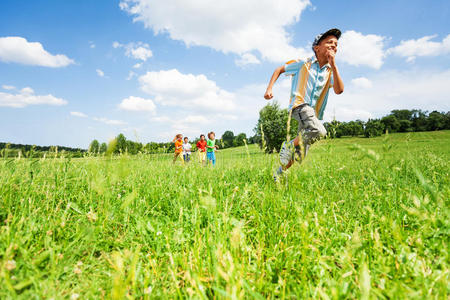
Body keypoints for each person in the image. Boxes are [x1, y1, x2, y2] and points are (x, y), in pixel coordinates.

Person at [264, 28, 344, 181]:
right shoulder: (303, 64)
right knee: (319, 131)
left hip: (312, 113)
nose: (334, 46)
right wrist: (269, 88)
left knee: (300, 155)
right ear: (317, 48)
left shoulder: (330, 71)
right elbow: (280, 69)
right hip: (299, 105)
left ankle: (278, 174)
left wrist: (334, 66)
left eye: (336, 44)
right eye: (329, 43)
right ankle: (287, 145)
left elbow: (339, 90)